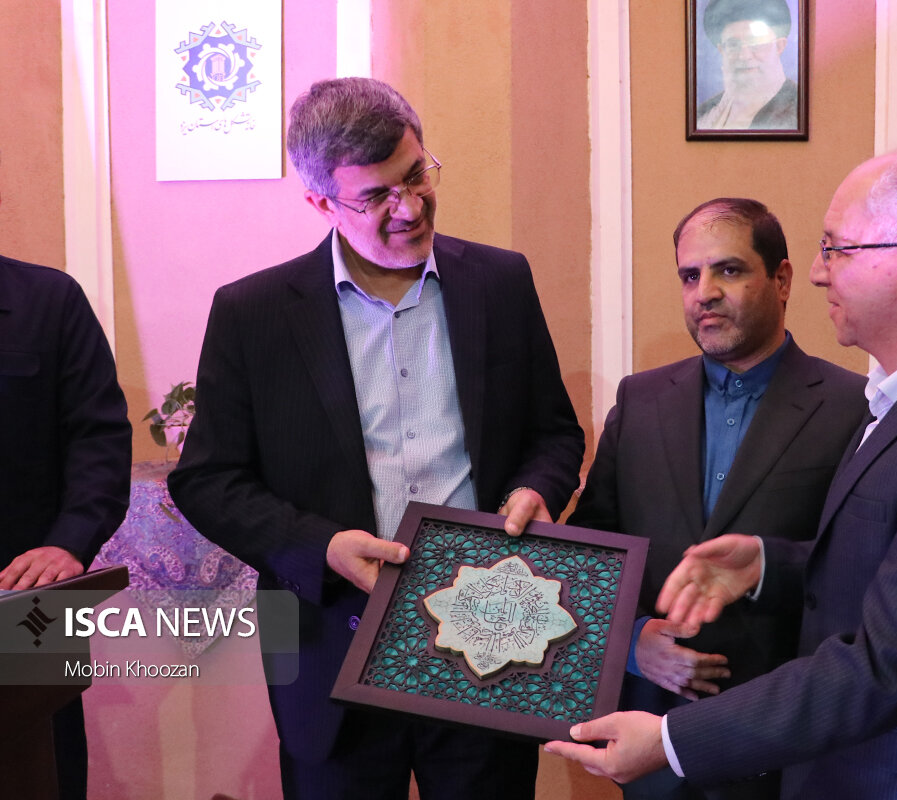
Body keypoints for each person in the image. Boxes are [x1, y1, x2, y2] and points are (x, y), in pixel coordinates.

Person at [546, 142, 897, 799]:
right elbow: (892, 566)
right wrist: (767, 566)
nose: (817, 273)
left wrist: (672, 741)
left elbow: (885, 664)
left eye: (838, 249)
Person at [168, 77, 585, 800]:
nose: (412, 207)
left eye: (417, 175)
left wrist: (534, 488)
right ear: (321, 203)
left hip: (489, 637)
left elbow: (553, 433)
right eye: (377, 196)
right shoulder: (252, 313)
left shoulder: (501, 281)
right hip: (330, 646)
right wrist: (321, 547)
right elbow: (206, 480)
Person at [568, 197, 865, 799]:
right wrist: (631, 641)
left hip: (784, 747)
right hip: (649, 740)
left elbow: (861, 566)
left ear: (782, 280)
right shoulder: (641, 400)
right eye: (689, 275)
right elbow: (589, 552)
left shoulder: (852, 407)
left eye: (728, 270)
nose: (704, 293)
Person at [0, 187, 133, 798]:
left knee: (40, 772)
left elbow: (98, 439)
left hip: (23, 605)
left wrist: (69, 542)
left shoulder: (50, 301)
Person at [697, 0, 798, 130]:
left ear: (779, 46)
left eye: (755, 43)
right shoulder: (704, 114)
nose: (744, 56)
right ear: (722, 50)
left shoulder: (801, 108)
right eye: (733, 45)